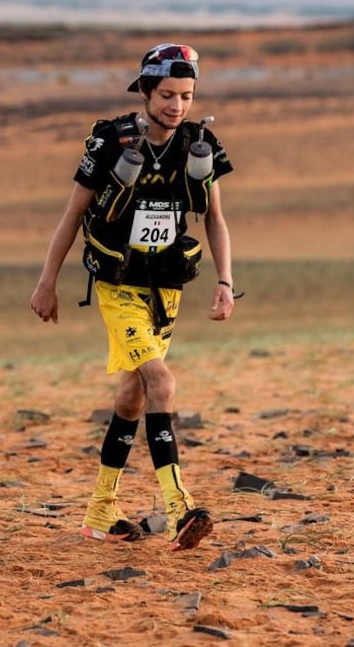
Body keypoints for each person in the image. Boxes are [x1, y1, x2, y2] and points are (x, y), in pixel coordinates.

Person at [30, 43, 235, 551]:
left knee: (132, 395)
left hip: (165, 287)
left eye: (187, 96)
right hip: (118, 287)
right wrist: (47, 281)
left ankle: (101, 511)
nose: (177, 105)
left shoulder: (198, 143)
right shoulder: (109, 140)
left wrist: (226, 282)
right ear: (145, 90)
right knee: (161, 382)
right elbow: (73, 214)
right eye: (167, 94)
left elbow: (213, 217)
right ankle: (179, 507)